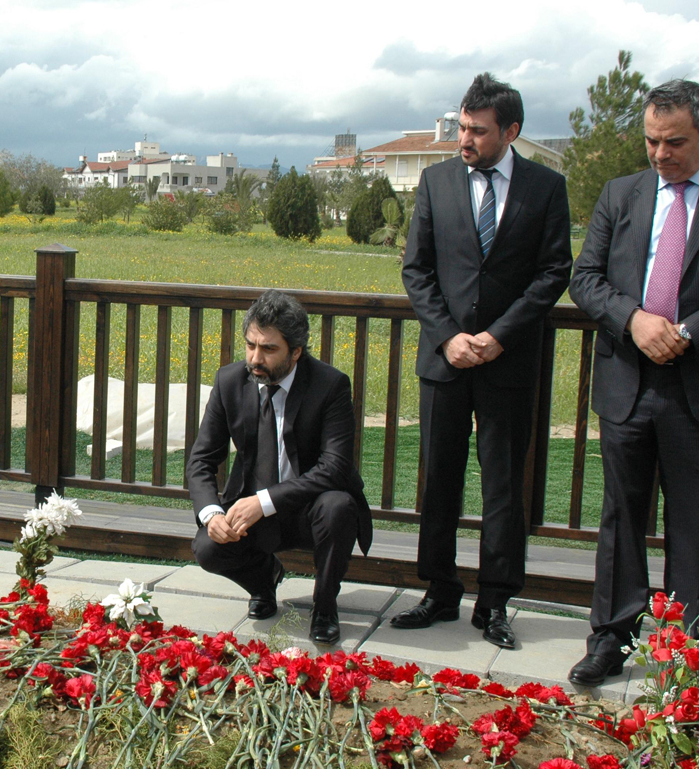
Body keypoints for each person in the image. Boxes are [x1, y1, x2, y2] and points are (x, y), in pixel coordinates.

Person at [393, 73, 573, 648]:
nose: (464, 139)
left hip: (509, 363)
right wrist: (448, 337)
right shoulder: (436, 180)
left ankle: (494, 603)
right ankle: (439, 591)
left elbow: (554, 271)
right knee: (439, 483)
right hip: (444, 363)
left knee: (503, 488)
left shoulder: (546, 187)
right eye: (462, 127)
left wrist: (499, 336)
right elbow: (416, 269)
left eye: (478, 130)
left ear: (511, 131)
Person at [567, 79, 699, 687]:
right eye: (651, 141)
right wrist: (634, 320)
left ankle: (683, 660)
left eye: (675, 142)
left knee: (694, 527)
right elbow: (585, 278)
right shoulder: (622, 194)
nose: (661, 154)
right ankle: (610, 638)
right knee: (620, 520)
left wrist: (688, 331)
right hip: (627, 385)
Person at [186, 289, 372, 645]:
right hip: (252, 509)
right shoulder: (229, 381)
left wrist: (265, 501)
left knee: (339, 506)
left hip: (312, 507)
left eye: (269, 349)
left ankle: (325, 606)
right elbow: (201, 458)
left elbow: (335, 466)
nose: (256, 358)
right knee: (207, 547)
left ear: (296, 351)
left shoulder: (330, 384)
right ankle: (264, 581)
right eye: (250, 345)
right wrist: (211, 513)